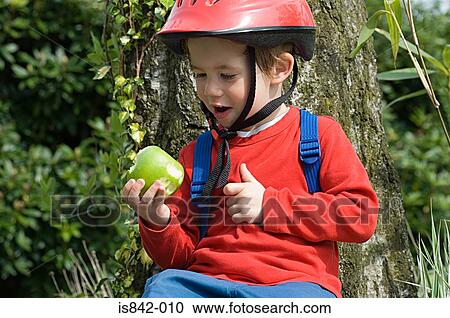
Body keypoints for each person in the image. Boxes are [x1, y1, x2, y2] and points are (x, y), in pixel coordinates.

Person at [122, 0, 378, 298]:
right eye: (199, 75)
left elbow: (361, 216)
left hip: (290, 289)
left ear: (280, 68)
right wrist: (158, 220)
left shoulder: (317, 137)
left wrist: (270, 205)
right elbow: (179, 257)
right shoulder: (198, 156)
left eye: (227, 75)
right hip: (204, 285)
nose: (210, 90)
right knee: (164, 290)